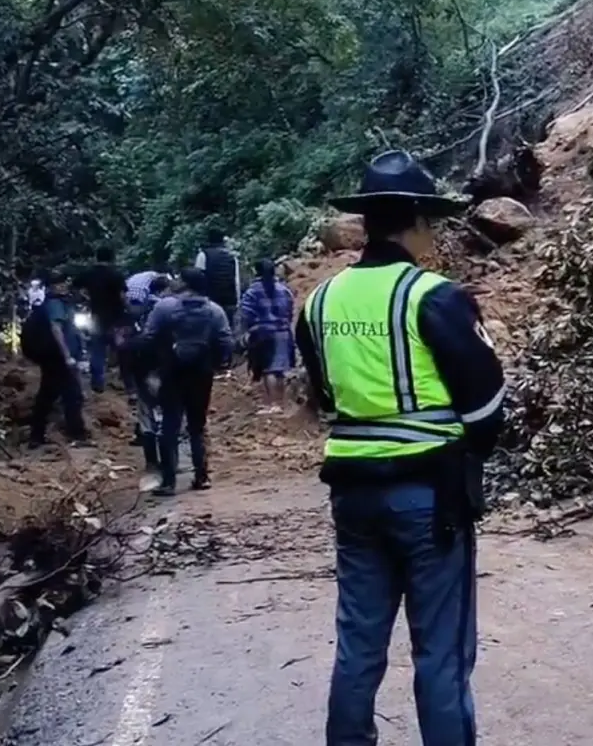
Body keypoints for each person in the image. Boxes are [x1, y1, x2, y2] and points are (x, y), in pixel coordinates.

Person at [293, 150, 505, 746]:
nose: (432, 234)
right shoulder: (434, 296)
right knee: (440, 652)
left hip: (353, 494)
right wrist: (470, 453)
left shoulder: (319, 302)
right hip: (430, 497)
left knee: (359, 642)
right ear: (414, 219)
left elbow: (325, 395)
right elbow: (485, 406)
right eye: (429, 222)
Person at [140, 267, 234, 496]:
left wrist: (151, 366)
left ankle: (168, 482)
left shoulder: (164, 307)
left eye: (179, 278)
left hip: (172, 372)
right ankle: (201, 476)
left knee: (169, 425)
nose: (175, 281)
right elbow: (225, 341)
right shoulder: (215, 310)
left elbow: (148, 337)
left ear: (185, 283)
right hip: (202, 373)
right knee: (197, 426)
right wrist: (219, 363)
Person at [25, 270, 92, 448]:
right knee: (72, 394)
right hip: (58, 357)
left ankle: (36, 436)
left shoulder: (56, 303)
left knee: (47, 394)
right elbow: (56, 329)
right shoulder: (55, 304)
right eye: (58, 283)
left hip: (52, 357)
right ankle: (77, 434)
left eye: (63, 282)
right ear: (50, 287)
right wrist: (67, 356)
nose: (62, 286)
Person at [126, 274, 174, 472]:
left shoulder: (139, 310)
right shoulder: (169, 309)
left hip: (142, 365)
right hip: (164, 366)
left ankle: (151, 462)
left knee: (146, 417)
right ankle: (169, 463)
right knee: (167, 415)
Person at [238, 258, 296, 413]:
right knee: (280, 370)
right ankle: (280, 403)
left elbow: (246, 314)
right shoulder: (284, 290)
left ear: (256, 271)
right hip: (283, 331)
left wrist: (248, 332)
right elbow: (290, 310)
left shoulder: (252, 292)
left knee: (268, 370)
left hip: (263, 333)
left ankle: (273, 404)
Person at [76, 246, 128, 393]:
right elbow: (122, 297)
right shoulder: (116, 275)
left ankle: (97, 382)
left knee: (97, 350)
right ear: (112, 258)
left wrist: (87, 298)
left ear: (96, 257)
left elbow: (76, 287)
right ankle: (124, 381)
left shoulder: (89, 273)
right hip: (116, 318)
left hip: (96, 317)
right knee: (120, 349)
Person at [194, 229, 241, 329]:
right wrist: (237, 302)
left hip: (209, 301)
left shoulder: (203, 255)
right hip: (229, 301)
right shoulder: (232, 257)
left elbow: (197, 279)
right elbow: (236, 281)